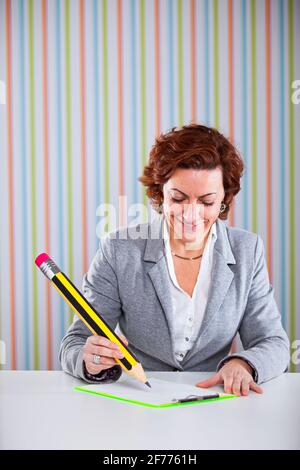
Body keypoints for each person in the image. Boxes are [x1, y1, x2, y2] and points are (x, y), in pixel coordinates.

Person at [59, 124, 290, 396]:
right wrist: (90, 360)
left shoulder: (247, 250)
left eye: (206, 202)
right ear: (160, 194)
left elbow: (273, 342)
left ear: (223, 201)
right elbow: (75, 343)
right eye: (178, 199)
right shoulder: (119, 250)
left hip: (213, 401)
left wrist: (244, 363)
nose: (191, 215)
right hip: (139, 397)